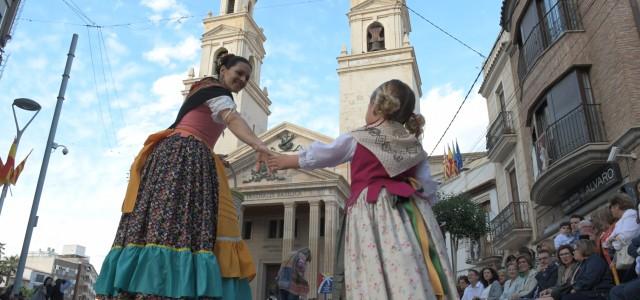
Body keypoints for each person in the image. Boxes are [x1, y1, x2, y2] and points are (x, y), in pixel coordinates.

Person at [94, 54, 269, 299]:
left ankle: (141, 288)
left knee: (163, 218)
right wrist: (259, 145)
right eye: (238, 73)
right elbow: (231, 119)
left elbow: (194, 127)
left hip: (179, 155)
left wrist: (212, 155)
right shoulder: (218, 92)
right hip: (183, 158)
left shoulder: (204, 88)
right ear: (223, 68)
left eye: (247, 77)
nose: (242, 80)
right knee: (181, 218)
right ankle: (162, 289)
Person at [267, 79, 458, 299]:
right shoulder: (414, 145)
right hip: (411, 214)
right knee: (411, 263)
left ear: (376, 108)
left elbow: (325, 154)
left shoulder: (359, 137)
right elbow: (428, 188)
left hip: (372, 210)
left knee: (372, 268)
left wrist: (285, 160)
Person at [605, 193, 640, 283]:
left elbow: (625, 237)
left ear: (617, 206)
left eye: (611, 207)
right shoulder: (622, 220)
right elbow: (607, 243)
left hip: (632, 257)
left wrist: (614, 241)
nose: (611, 211)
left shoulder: (631, 215)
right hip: (626, 258)